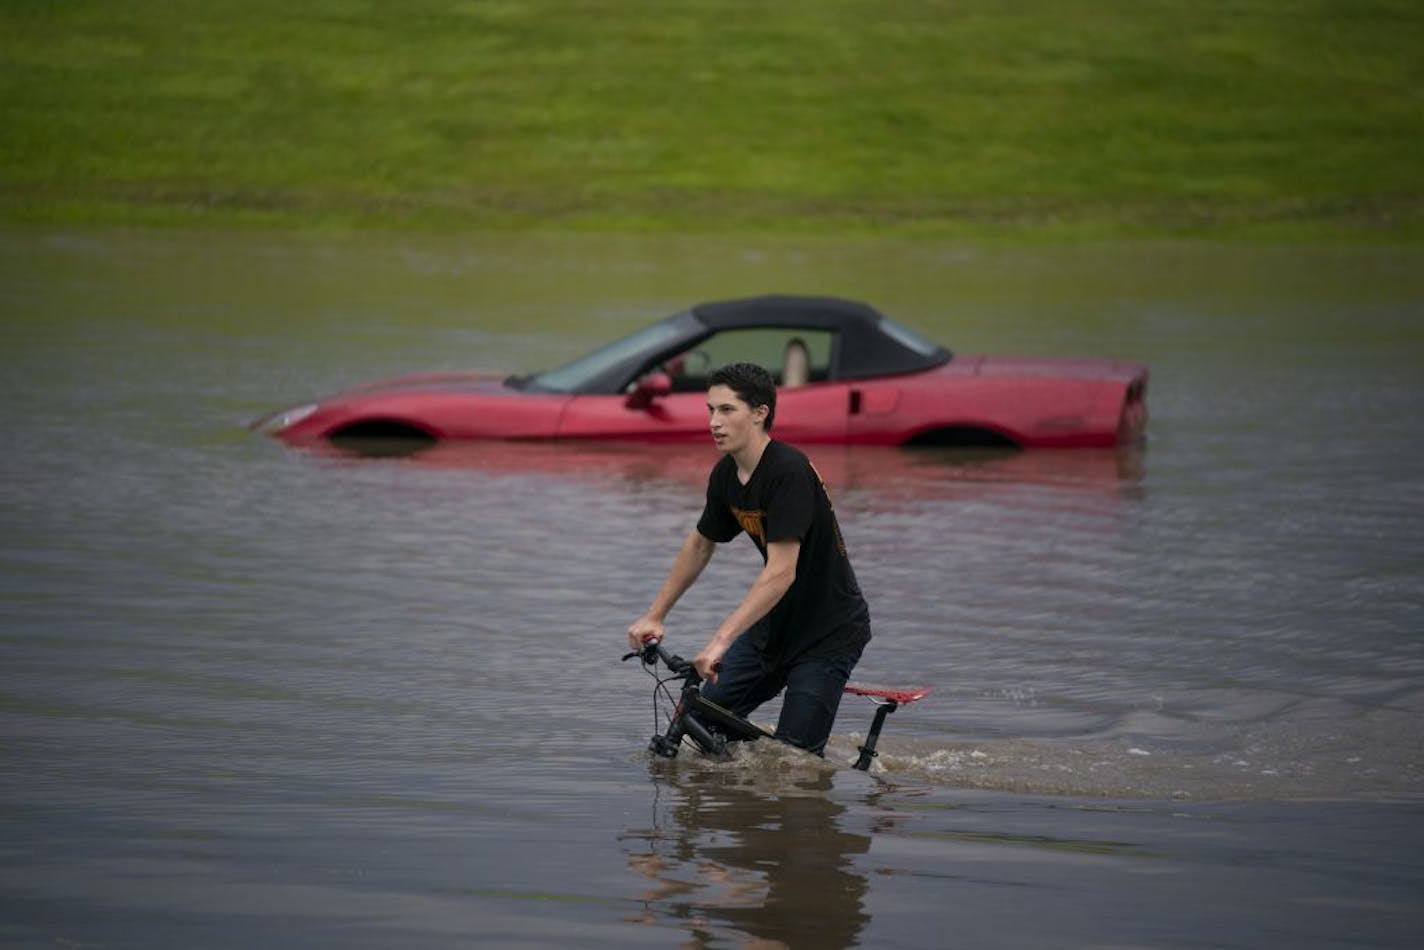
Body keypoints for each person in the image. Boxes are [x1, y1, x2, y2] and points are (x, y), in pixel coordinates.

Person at [626, 362, 872, 755]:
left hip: (828, 630)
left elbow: (781, 572)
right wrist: (655, 614)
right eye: (710, 410)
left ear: (760, 413)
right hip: (772, 628)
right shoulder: (726, 475)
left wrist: (720, 641)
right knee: (696, 725)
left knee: (795, 763)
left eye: (727, 410)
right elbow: (700, 545)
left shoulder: (787, 471)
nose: (713, 422)